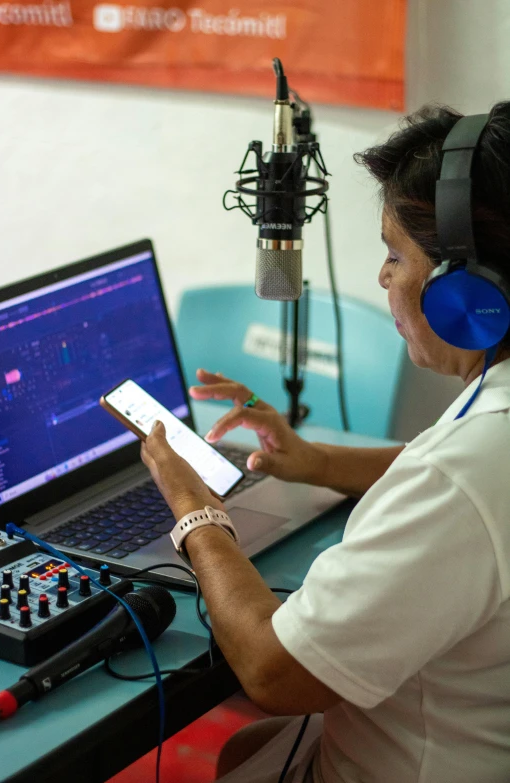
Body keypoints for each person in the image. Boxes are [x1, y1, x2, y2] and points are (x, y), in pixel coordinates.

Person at [141, 102, 510, 783]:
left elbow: (274, 672)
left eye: (396, 254)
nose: (384, 277)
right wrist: (316, 462)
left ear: (468, 288)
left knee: (247, 744)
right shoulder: (491, 422)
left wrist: (196, 514)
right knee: (243, 751)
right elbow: (463, 493)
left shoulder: (464, 470)